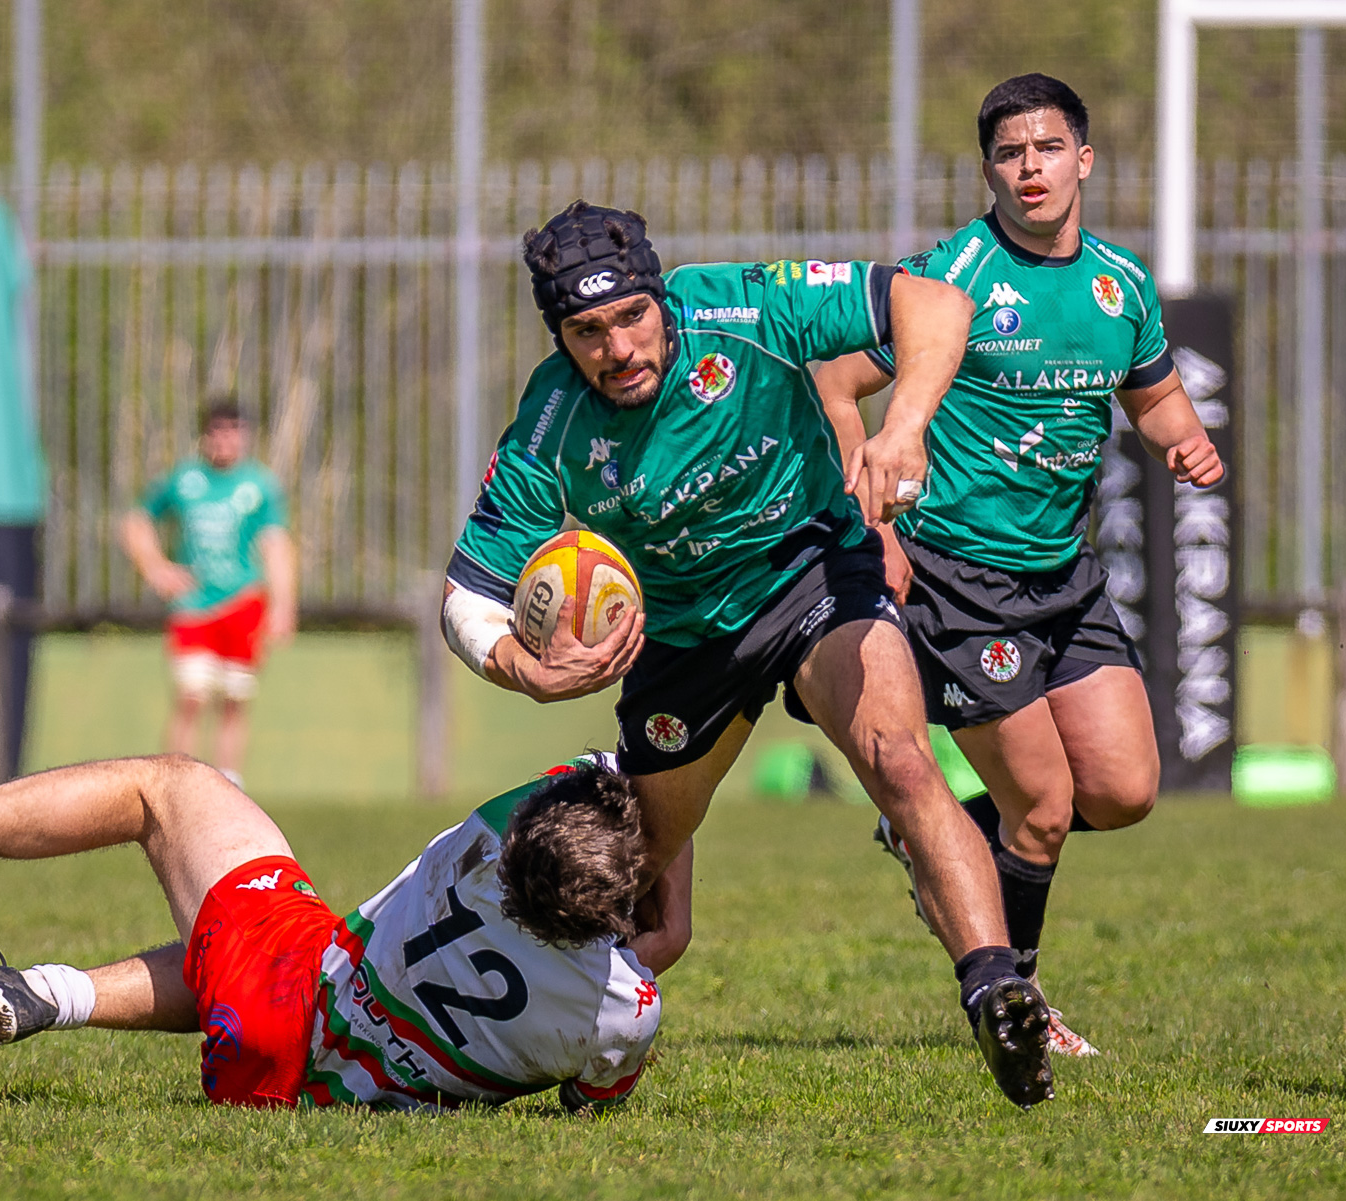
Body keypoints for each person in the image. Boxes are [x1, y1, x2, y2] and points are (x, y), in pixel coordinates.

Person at [439, 200, 1053, 1108]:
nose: (618, 347)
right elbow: (466, 593)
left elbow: (934, 307)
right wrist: (519, 667)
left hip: (813, 568)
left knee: (899, 757)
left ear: (661, 296)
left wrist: (905, 424)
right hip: (684, 639)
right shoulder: (553, 421)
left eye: (633, 316)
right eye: (588, 330)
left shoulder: (743, 307)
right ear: (561, 335)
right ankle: (516, 1042)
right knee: (642, 896)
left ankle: (996, 990)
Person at [812, 74, 1226, 1057]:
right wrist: (865, 503)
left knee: (1123, 790)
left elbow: (1156, 400)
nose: (1029, 168)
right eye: (1009, 153)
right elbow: (836, 377)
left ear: (1082, 158)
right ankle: (1021, 1007)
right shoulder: (952, 277)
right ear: (989, 169)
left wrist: (1187, 442)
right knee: (1039, 807)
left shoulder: (1119, 284)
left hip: (1064, 577)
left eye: (1047, 149)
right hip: (960, 579)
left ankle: (940, 834)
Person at [0, 742, 687, 1111]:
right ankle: (43, 996)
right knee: (252, 937)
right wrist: (663, 933)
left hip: (297, 991)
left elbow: (640, 765)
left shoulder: (497, 831)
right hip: (302, 1080)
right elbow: (588, 1098)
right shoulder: (625, 1011)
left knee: (171, 786)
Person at [119, 401, 297, 787]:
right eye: (217, 430)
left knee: (234, 699)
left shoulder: (259, 485)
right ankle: (173, 782)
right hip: (193, 604)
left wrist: (283, 605)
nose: (225, 439)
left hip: (243, 602)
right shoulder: (185, 480)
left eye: (233, 430)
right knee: (191, 695)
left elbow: (275, 544)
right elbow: (137, 520)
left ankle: (228, 783)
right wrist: (155, 567)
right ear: (206, 434)